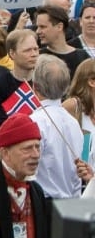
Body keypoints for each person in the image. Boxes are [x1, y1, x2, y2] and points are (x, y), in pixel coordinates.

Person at [28, 54, 90, 198]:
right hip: (70, 202)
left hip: (46, 203)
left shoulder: (35, 122)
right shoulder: (73, 122)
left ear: (34, 86)